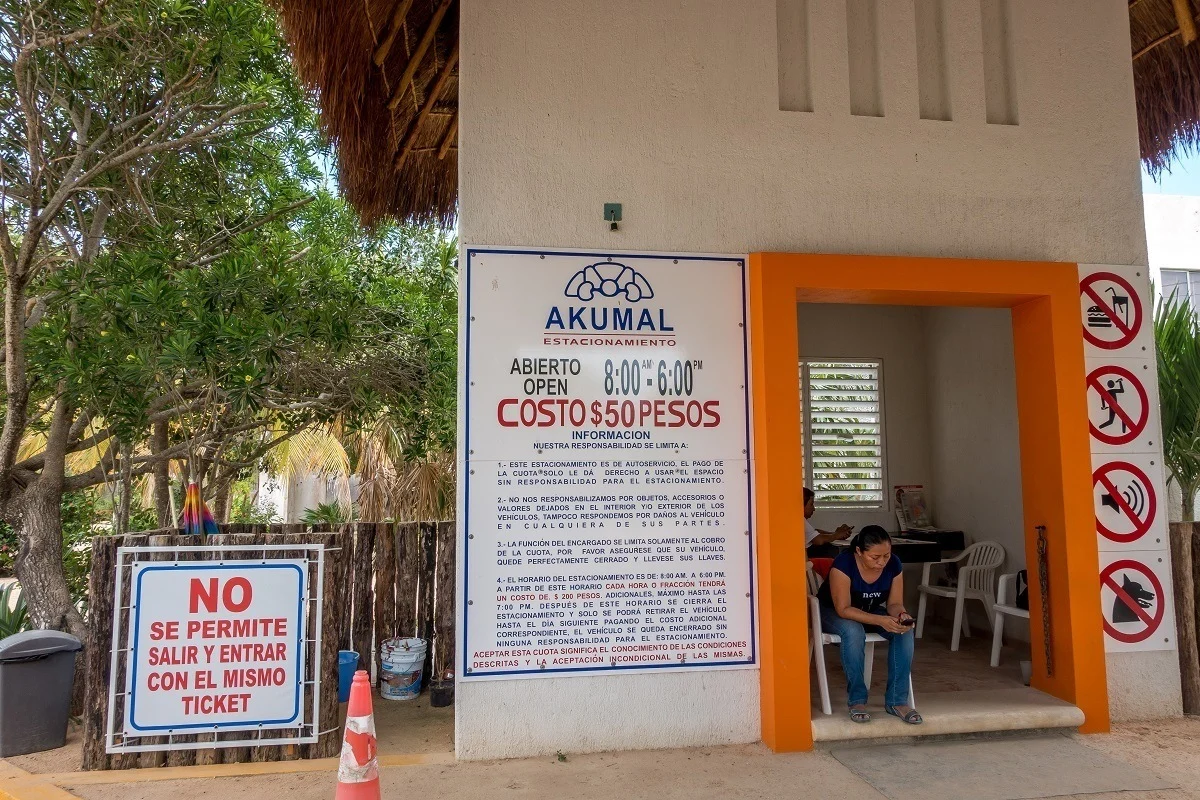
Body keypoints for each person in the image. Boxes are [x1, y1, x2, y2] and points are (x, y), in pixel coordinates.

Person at [816, 525, 922, 725]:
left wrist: (901, 615)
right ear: (859, 551)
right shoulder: (843, 564)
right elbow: (843, 609)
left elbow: (894, 603)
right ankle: (857, 700)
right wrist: (880, 620)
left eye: (886, 556)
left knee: (903, 632)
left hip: (869, 610)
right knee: (853, 631)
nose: (882, 562)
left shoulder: (894, 565)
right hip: (832, 612)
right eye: (875, 557)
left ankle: (897, 701)